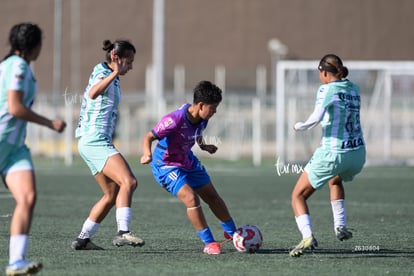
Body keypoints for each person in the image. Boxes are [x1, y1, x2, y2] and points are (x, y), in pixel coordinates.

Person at [140, 80, 237, 255]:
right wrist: (147, 154)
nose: (214, 112)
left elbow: (197, 132)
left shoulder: (202, 118)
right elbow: (148, 137)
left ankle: (233, 233)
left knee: (213, 197)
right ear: (201, 105)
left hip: (187, 160)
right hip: (166, 165)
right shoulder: (173, 120)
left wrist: (203, 146)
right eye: (213, 108)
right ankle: (209, 242)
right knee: (192, 199)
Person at [0, 22, 66, 275]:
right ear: (34, 45)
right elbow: (15, 107)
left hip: (14, 149)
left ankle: (16, 261)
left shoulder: (19, 66)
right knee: (26, 199)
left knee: (27, 198)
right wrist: (50, 123)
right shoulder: (16, 66)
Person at [289, 54, 366, 257]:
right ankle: (340, 226)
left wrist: (299, 126)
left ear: (323, 72)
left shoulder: (326, 88)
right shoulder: (355, 89)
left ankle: (307, 237)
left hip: (334, 152)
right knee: (335, 179)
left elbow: (316, 117)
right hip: (357, 153)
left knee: (297, 195)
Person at [71, 39, 144, 250]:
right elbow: (93, 93)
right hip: (95, 139)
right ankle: (123, 232)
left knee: (112, 194)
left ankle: (83, 239)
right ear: (115, 57)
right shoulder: (103, 72)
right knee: (129, 182)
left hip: (90, 141)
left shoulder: (110, 75)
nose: (130, 66)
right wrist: (113, 74)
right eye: (128, 61)